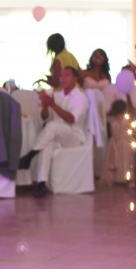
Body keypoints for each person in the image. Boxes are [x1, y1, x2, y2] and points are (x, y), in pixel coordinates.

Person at [19, 66, 89, 198]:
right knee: (47, 146)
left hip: (74, 136)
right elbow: (45, 117)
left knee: (52, 126)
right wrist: (46, 105)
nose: (63, 78)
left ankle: (29, 156)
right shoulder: (56, 95)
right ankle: (41, 183)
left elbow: (72, 119)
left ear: (75, 78)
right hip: (56, 135)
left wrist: (52, 104)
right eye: (61, 76)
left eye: (67, 75)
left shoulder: (80, 97)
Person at [99, 100, 134, 186]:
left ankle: (116, 179)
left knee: (116, 160)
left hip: (115, 143)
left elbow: (112, 133)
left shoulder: (112, 122)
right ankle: (128, 180)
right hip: (127, 142)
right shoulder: (127, 121)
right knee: (127, 161)